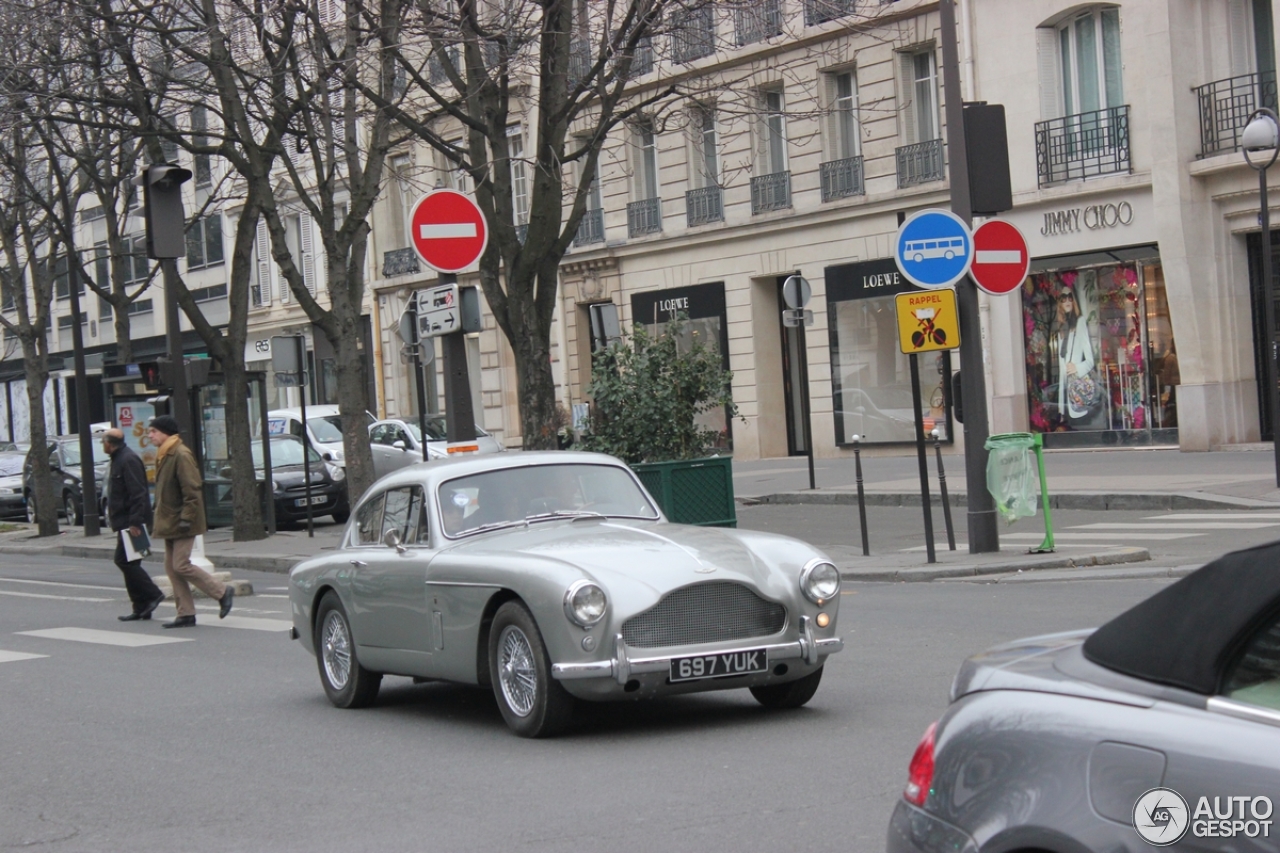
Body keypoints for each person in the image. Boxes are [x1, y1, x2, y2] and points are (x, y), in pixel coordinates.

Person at [148, 415, 233, 628]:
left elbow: (192, 489)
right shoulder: (165, 453)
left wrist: (187, 518)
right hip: (170, 519)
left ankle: (222, 592)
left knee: (180, 565)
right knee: (171, 568)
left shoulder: (180, 454)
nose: (150, 436)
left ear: (165, 433)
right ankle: (185, 613)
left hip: (183, 520)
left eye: (153, 431)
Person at [103, 429, 165, 622]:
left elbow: (138, 493)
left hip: (131, 521)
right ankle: (141, 607)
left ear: (110, 443)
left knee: (123, 561)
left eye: (103, 442)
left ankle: (153, 594)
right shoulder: (118, 458)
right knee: (131, 561)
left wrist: (135, 522)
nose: (102, 445)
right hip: (125, 520)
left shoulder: (128, 459)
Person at [1054, 285, 1095, 426]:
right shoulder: (1061, 329)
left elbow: (1090, 360)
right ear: (1059, 302)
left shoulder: (1080, 322)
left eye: (1070, 297)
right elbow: (1061, 372)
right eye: (1063, 298)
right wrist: (1060, 406)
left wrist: (1076, 367)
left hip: (1077, 392)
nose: (1067, 301)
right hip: (1066, 396)